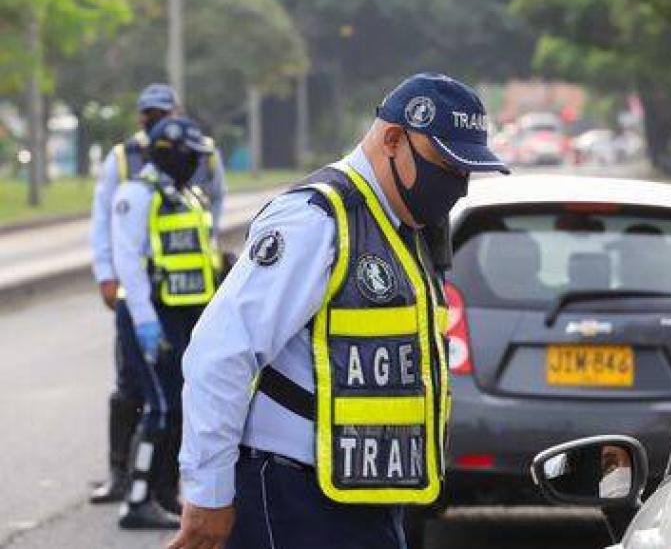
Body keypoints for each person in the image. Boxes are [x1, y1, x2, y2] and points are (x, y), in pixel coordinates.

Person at [170, 73, 509, 549]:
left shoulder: (404, 227)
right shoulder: (315, 220)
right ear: (393, 139)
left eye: (466, 172)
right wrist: (208, 496)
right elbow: (219, 354)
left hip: (361, 500)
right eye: (445, 166)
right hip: (293, 499)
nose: (457, 186)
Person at [88, 83, 226, 507]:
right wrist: (110, 279)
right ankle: (130, 485)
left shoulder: (191, 181)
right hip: (150, 310)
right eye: (148, 112)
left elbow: (211, 220)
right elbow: (114, 235)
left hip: (184, 311)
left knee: (176, 405)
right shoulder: (129, 173)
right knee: (146, 398)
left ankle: (163, 491)